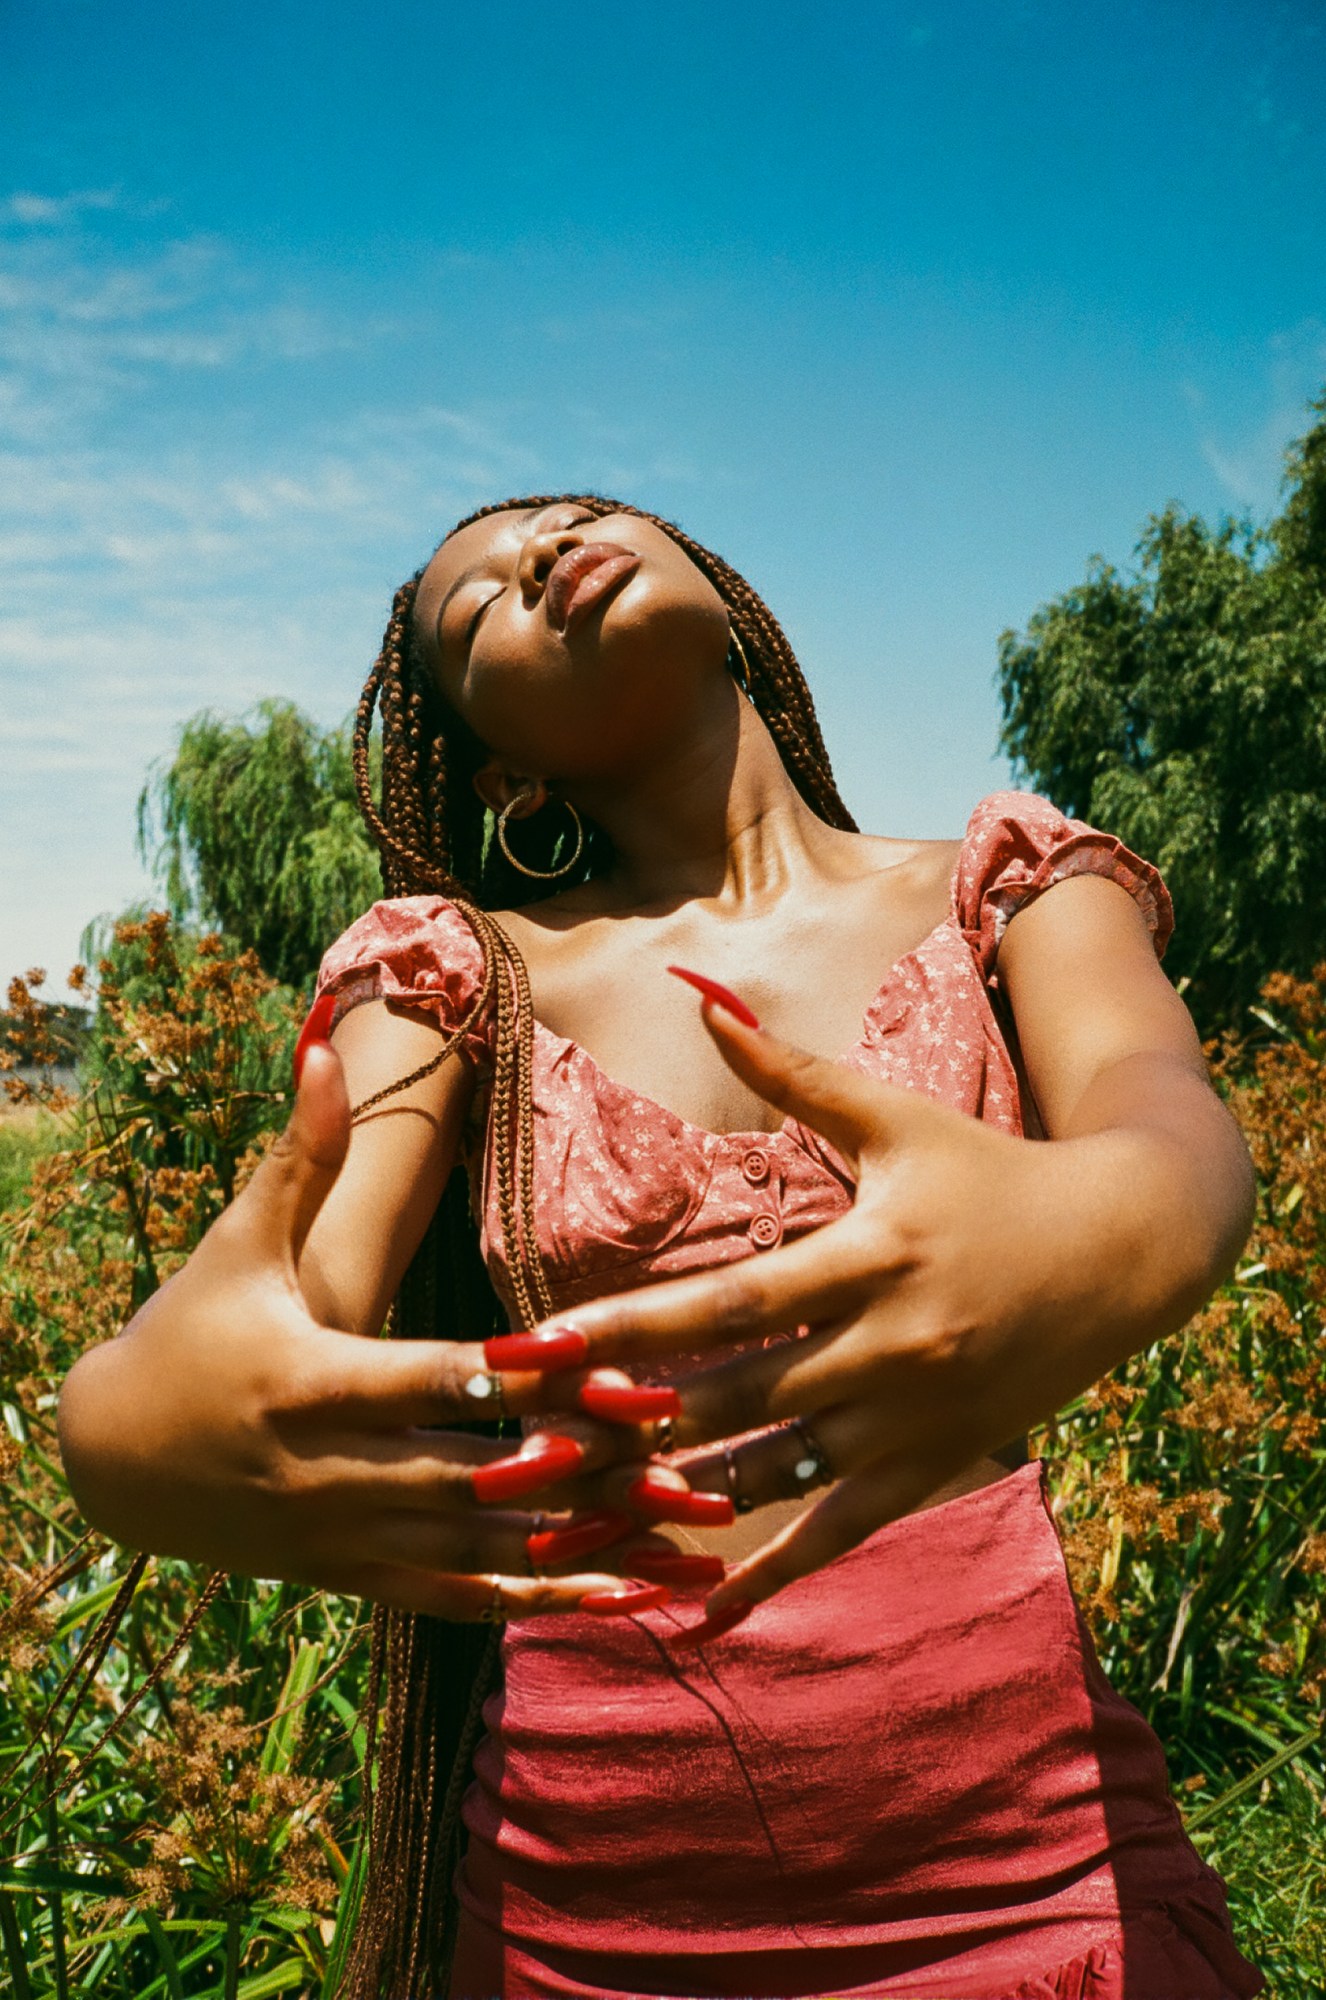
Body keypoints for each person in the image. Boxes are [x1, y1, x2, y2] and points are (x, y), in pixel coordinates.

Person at [57, 495, 1266, 2000]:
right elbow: (264, 1310)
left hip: (1034, 1883)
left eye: (576, 516)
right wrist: (130, 1431)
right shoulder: (456, 975)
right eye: (477, 603)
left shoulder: (1006, 889)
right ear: (505, 767)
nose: (542, 550)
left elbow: (1170, 1126)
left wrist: (1119, 1216)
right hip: (585, 1930)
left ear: (727, 599)